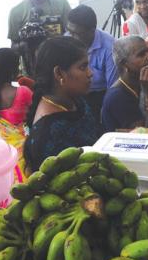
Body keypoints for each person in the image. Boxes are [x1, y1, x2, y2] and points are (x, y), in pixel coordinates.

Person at [23, 37, 100, 173]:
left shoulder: (76, 101)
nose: (90, 73)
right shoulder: (48, 132)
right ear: (59, 73)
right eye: (83, 67)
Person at [0, 48, 33, 180]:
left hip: (4, 148)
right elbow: (36, 113)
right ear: (14, 69)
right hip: (25, 148)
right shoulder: (23, 92)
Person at [101, 36, 148, 132]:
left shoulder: (140, 82)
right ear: (124, 64)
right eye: (141, 55)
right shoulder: (117, 97)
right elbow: (146, 136)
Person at [66, 5, 118, 120]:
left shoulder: (110, 47)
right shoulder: (68, 39)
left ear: (92, 30)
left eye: (76, 34)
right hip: (74, 92)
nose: (71, 37)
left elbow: (113, 89)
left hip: (100, 96)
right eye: (69, 31)